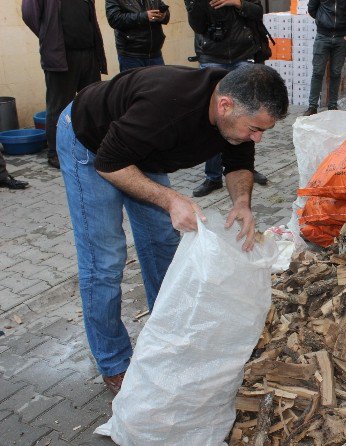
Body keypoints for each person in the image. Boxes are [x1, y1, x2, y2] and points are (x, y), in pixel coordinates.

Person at [55, 64, 288, 394]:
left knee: (163, 244)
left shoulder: (236, 109)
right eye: (254, 129)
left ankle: (167, 335)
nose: (258, 137)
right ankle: (113, 362)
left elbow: (238, 162)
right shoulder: (168, 107)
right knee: (104, 260)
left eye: (263, 131)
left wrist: (242, 203)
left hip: (142, 150)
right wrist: (169, 200)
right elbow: (108, 163)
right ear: (225, 106)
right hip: (91, 143)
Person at [185, 0, 270, 197]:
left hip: (243, 56)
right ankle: (213, 177)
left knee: (248, 116)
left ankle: (245, 168)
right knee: (214, 120)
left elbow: (257, 11)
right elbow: (197, 25)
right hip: (212, 57)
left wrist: (236, 2)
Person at [22, 0, 107, 169]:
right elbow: (29, 15)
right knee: (58, 108)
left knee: (92, 105)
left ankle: (95, 148)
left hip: (88, 53)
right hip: (61, 57)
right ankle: (55, 153)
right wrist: (49, 36)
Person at [303, 0, 346, 116]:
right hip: (323, 36)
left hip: (341, 38)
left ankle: (332, 105)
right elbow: (312, 8)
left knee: (336, 72)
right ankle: (312, 106)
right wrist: (322, 20)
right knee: (318, 72)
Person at [105, 0, 170, 72]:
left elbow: (165, 12)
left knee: (159, 83)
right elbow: (114, 19)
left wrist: (163, 16)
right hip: (131, 56)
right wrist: (144, 16)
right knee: (135, 83)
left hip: (155, 53)